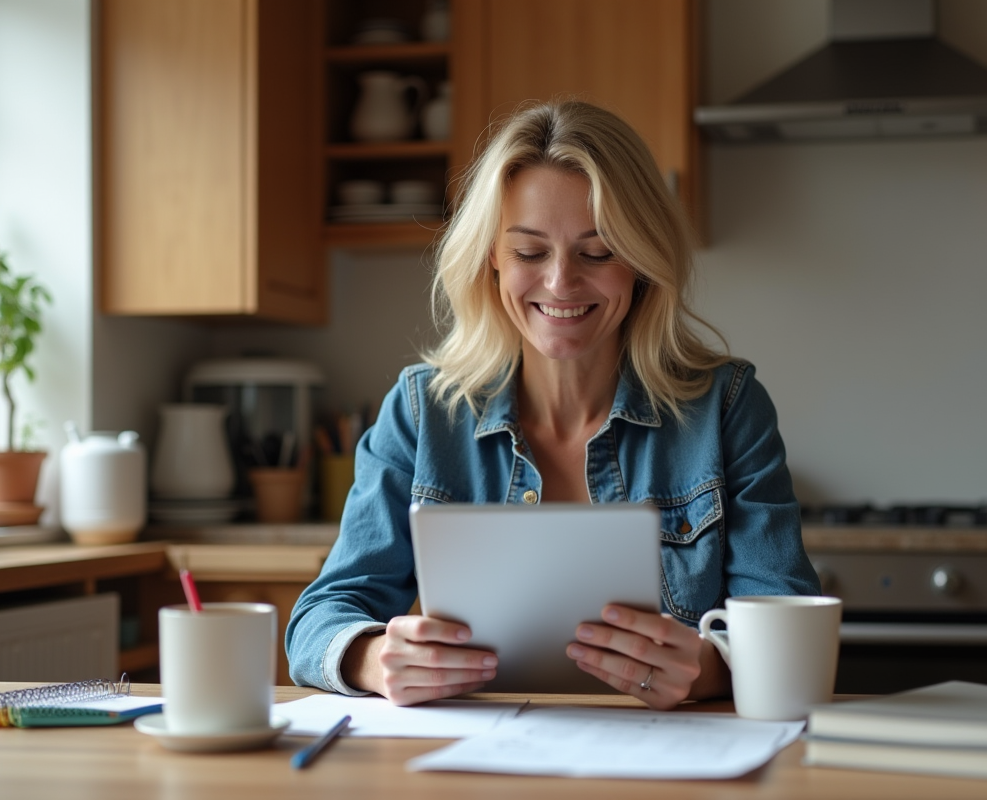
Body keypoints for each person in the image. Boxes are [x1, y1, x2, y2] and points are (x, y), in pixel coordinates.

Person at [286, 100, 820, 710]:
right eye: (530, 252)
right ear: (491, 255)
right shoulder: (422, 411)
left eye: (599, 252)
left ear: (642, 261)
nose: (561, 282)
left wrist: (707, 670)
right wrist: (373, 658)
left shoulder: (727, 407)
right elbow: (318, 620)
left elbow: (790, 633)